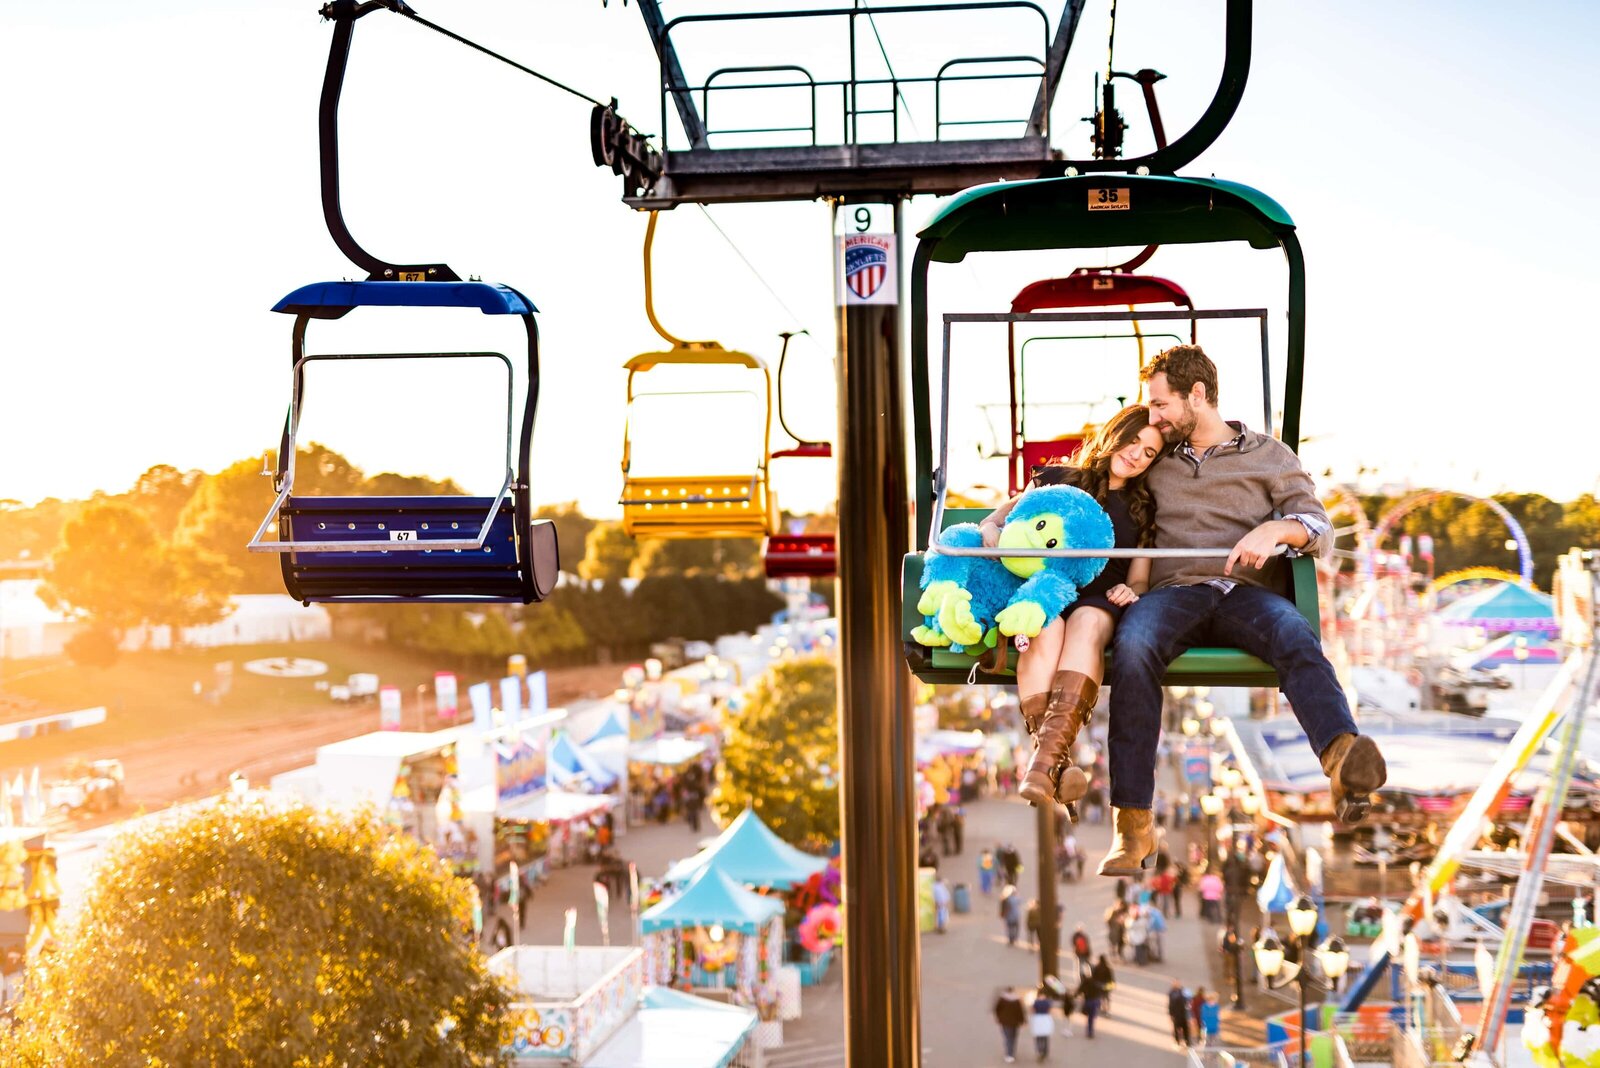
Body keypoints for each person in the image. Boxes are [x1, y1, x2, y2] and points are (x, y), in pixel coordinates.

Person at [1099, 346, 1388, 874]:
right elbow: (1108, 475)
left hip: (1243, 591)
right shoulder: (1156, 458)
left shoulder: (1269, 455)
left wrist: (1277, 528)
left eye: (1162, 404)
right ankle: (1133, 821)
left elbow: (1318, 528)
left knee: (1293, 633)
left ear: (1198, 396)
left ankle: (1342, 755)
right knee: (1135, 646)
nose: (1155, 416)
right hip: (1172, 592)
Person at [978, 405, 1164, 808]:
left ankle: (1042, 766)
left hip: (1101, 595)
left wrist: (1132, 592)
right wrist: (992, 530)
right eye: (1133, 441)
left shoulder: (1142, 505)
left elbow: (1138, 576)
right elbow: (998, 519)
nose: (1136, 455)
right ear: (1115, 434)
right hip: (1048, 587)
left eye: (1148, 453)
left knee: (1086, 625)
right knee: (1047, 629)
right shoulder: (1058, 478)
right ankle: (1050, 767)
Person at [994, 986, 1027, 1063]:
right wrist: (1022, 1021)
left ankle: (1009, 1054)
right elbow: (1020, 1011)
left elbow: (997, 1009)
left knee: (1007, 1038)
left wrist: (998, 1017)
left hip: (1005, 1022)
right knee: (1013, 1038)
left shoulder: (1002, 999)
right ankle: (1012, 1053)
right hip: (1015, 1022)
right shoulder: (1017, 1000)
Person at [1220, 925, 1246, 1006]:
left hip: (1230, 953)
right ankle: (1229, 978)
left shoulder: (1229, 934)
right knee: (1229, 967)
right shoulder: (1228, 935)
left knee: (1230, 967)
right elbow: (1227, 944)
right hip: (1229, 953)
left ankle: (1230, 978)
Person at [1030, 985, 1056, 1061]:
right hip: (1045, 1019)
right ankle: (1045, 1051)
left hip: (1037, 1019)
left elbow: (1032, 1010)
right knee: (1045, 1036)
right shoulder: (1048, 1002)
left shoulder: (1036, 1002)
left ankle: (1039, 1051)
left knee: (1038, 1036)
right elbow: (1050, 1011)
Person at [1167, 979, 1194, 1049]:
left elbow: (1190, 999)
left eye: (1177, 983)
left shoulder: (1183, 991)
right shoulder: (1171, 993)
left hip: (1183, 1013)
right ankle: (1177, 1042)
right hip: (1176, 1014)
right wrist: (1171, 1014)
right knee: (1177, 1028)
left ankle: (1187, 1042)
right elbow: (1170, 1005)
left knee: (1185, 1028)